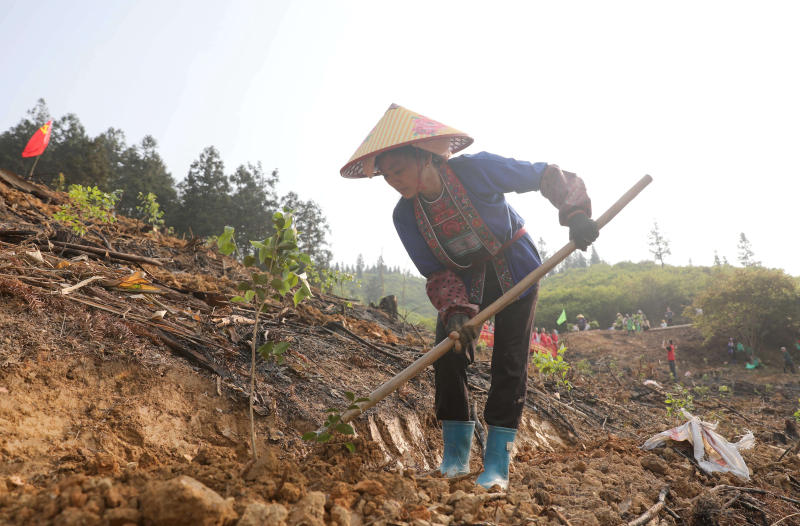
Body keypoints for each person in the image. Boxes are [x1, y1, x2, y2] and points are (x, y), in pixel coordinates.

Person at [341, 104, 599, 490]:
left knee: (508, 362)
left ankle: (497, 464)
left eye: (398, 169)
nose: (393, 180)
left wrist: (576, 214)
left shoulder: (475, 169)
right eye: (386, 174)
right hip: (464, 284)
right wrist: (456, 311)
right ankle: (455, 458)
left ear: (424, 156)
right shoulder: (404, 216)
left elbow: (544, 174)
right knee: (448, 356)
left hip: (516, 268)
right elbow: (436, 270)